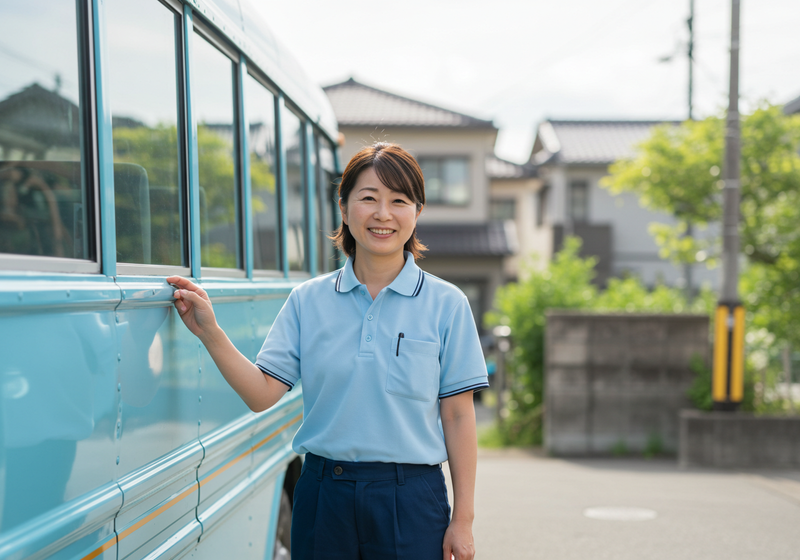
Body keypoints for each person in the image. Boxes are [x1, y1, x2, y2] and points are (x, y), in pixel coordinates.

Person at [168, 142, 488, 560]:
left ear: (417, 212)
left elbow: (459, 415)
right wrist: (209, 332)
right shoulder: (308, 300)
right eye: (368, 198)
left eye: (399, 201)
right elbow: (262, 393)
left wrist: (462, 520)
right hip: (324, 496)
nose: (383, 214)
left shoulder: (447, 304)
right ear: (343, 207)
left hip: (412, 499)